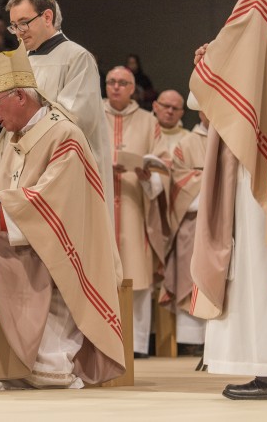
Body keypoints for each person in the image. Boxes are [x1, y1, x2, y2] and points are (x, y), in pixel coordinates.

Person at [0, 42, 125, 389]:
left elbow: (58, 203)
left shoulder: (63, 133)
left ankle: (38, 365)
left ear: (20, 96)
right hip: (23, 240)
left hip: (61, 251)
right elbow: (6, 196)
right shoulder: (12, 138)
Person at [189, 0, 267, 400]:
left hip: (262, 158)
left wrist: (205, 62)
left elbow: (212, 84)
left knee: (261, 261)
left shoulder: (260, 3)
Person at [5, 0, 114, 222]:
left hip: (64, 169)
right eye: (14, 26)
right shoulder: (18, 61)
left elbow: (75, 117)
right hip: (26, 170)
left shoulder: (76, 57)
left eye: (24, 23)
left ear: (47, 16)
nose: (18, 32)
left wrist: (23, 118)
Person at [104, 66, 168, 359]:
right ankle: (103, 344)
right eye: (111, 82)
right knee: (101, 274)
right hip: (100, 206)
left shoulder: (148, 121)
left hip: (135, 206)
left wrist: (146, 176)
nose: (116, 87)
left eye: (123, 83)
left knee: (137, 276)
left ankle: (138, 345)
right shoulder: (91, 116)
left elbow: (162, 165)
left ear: (133, 89)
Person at [161, 108, 209, 356]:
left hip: (227, 224)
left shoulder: (233, 139)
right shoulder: (186, 144)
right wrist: (211, 180)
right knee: (190, 279)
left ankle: (217, 340)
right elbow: (179, 182)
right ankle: (192, 341)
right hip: (193, 221)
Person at [152, 90, 190, 155]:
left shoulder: (188, 139)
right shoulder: (141, 130)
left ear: (181, 113)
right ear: (155, 106)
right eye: (166, 106)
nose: (170, 111)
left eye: (175, 108)